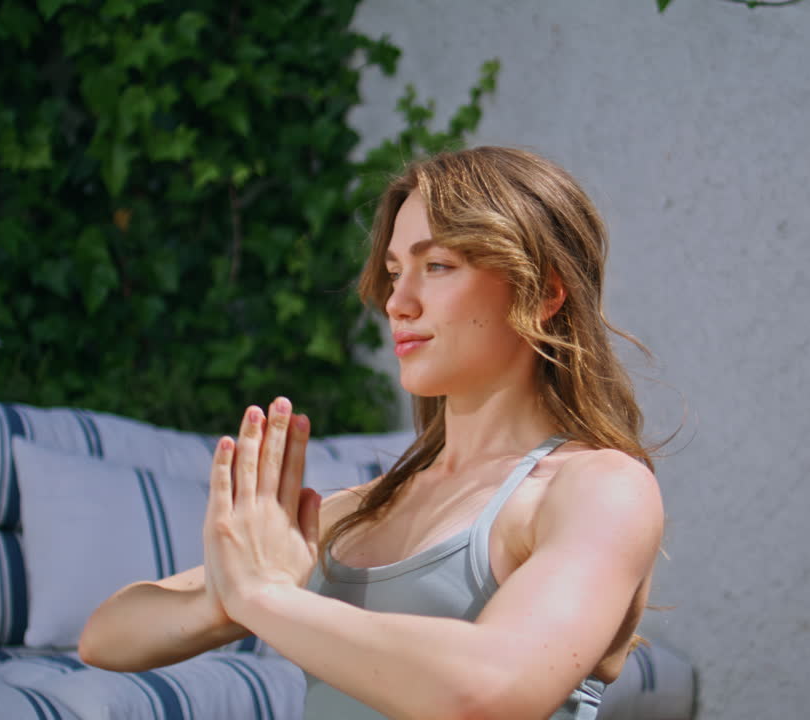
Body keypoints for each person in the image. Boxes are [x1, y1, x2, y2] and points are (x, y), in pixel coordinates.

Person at [79, 146, 666, 720]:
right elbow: (105, 637)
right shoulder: (363, 511)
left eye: (436, 266)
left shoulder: (598, 489)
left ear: (544, 292)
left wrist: (266, 599)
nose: (397, 303)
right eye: (393, 273)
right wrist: (226, 599)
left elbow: (489, 692)